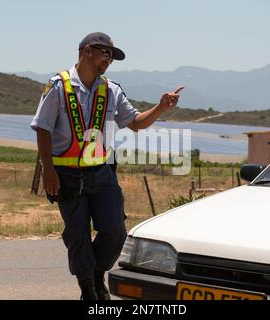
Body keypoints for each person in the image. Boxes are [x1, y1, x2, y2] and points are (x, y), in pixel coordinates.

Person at [30, 32, 184, 300]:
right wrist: (49, 170)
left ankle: (96, 273)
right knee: (77, 233)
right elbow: (42, 128)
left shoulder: (111, 90)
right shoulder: (58, 86)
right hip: (65, 173)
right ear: (87, 51)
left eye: (112, 56)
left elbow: (136, 122)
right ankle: (88, 288)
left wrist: (160, 107)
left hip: (101, 172)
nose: (109, 60)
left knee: (115, 231)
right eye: (105, 53)